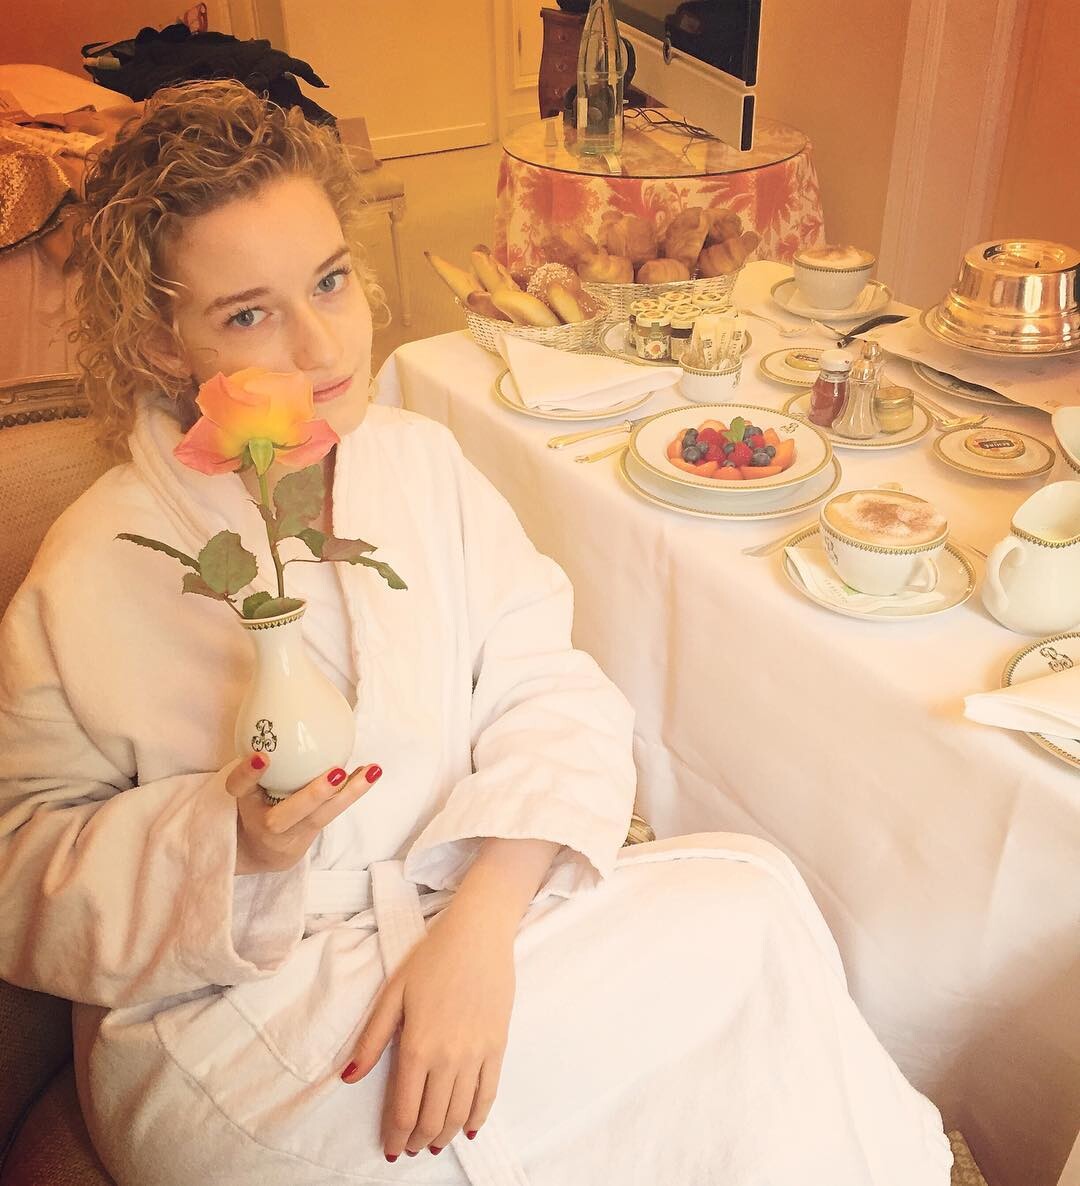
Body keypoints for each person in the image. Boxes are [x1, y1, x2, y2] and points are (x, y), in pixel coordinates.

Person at [0, 80, 952, 1186]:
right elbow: (21, 857)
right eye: (249, 314)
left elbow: (551, 688)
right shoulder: (99, 558)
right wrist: (231, 844)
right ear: (163, 343)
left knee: (755, 903)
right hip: (245, 1017)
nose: (321, 344)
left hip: (470, 923)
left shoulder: (420, 466)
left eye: (331, 281)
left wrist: (479, 934)